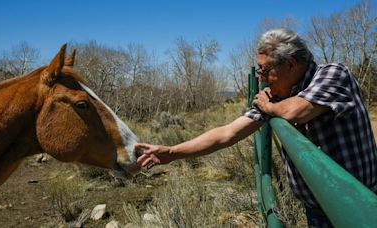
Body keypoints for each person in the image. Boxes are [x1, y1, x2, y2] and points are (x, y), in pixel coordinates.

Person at [135, 28, 377, 227]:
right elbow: (227, 133)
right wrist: (173, 152)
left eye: (265, 70)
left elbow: (297, 111)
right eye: (259, 70)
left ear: (291, 65)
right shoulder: (276, 95)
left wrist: (269, 108)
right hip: (317, 211)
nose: (260, 78)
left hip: (361, 211)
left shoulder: (333, 74)